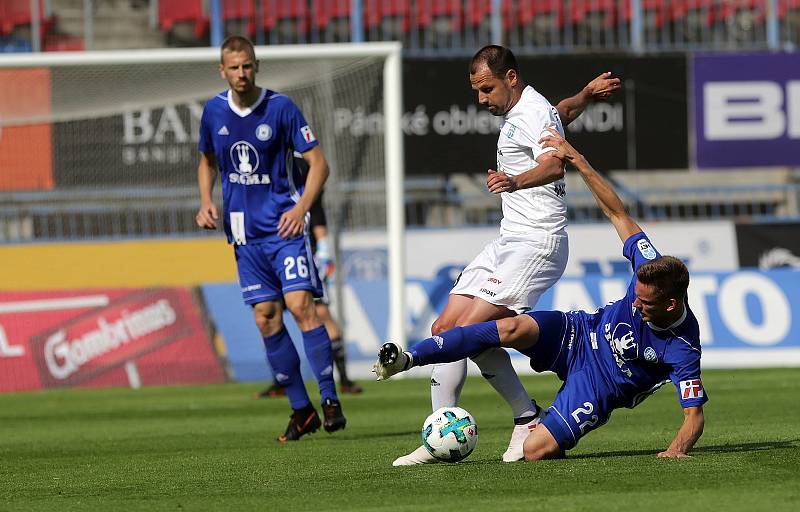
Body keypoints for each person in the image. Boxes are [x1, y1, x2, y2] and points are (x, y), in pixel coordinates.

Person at [374, 128, 707, 461]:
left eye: (645, 303)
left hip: (599, 387)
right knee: (510, 327)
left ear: (671, 304)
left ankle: (536, 422)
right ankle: (410, 358)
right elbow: (617, 212)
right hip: (580, 332)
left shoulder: (683, 348)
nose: (635, 304)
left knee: (535, 452)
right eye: (635, 295)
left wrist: (675, 450)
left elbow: (694, 417)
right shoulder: (649, 265)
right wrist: (576, 158)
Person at [392, 45, 621, 466]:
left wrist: (514, 182)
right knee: (446, 325)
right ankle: (442, 432)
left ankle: (525, 418)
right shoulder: (533, 111)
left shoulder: (531, 112)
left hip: (537, 243)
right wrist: (586, 96)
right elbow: (563, 113)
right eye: (477, 91)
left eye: (487, 89)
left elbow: (555, 166)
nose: (481, 100)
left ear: (510, 78)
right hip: (508, 240)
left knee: (471, 330)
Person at [195, 35, 345, 442]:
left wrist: (301, 210)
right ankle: (302, 410)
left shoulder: (281, 108)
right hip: (245, 235)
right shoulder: (213, 111)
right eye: (234, 67)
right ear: (222, 70)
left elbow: (319, 164)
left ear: (256, 66)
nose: (242, 73)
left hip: (285, 229)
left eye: (248, 65)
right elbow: (207, 160)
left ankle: (330, 399)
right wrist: (206, 200)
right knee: (265, 317)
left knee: (301, 306)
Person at [257, 176, 362, 398]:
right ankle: (280, 380)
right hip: (268, 253)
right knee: (268, 315)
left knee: (320, 312)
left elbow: (317, 214)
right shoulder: (265, 169)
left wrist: (323, 251)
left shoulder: (303, 168)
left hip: (302, 254)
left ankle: (343, 379)